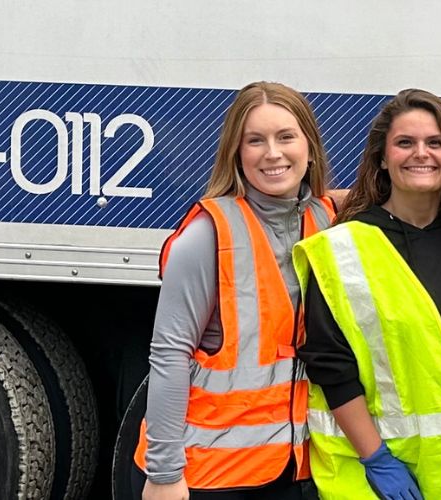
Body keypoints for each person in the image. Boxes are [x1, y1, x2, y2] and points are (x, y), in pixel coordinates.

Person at [135, 81, 335, 500]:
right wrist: (164, 474)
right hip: (209, 475)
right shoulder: (209, 232)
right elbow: (170, 354)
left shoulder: (326, 219)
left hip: (291, 469)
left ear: (310, 148)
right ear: (237, 154)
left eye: (286, 137)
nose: (273, 153)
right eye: (255, 140)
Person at [296, 89, 441, 500]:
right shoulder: (342, 248)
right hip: (374, 480)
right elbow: (330, 367)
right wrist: (376, 459)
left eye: (435, 143)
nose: (421, 153)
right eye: (405, 143)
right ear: (382, 158)